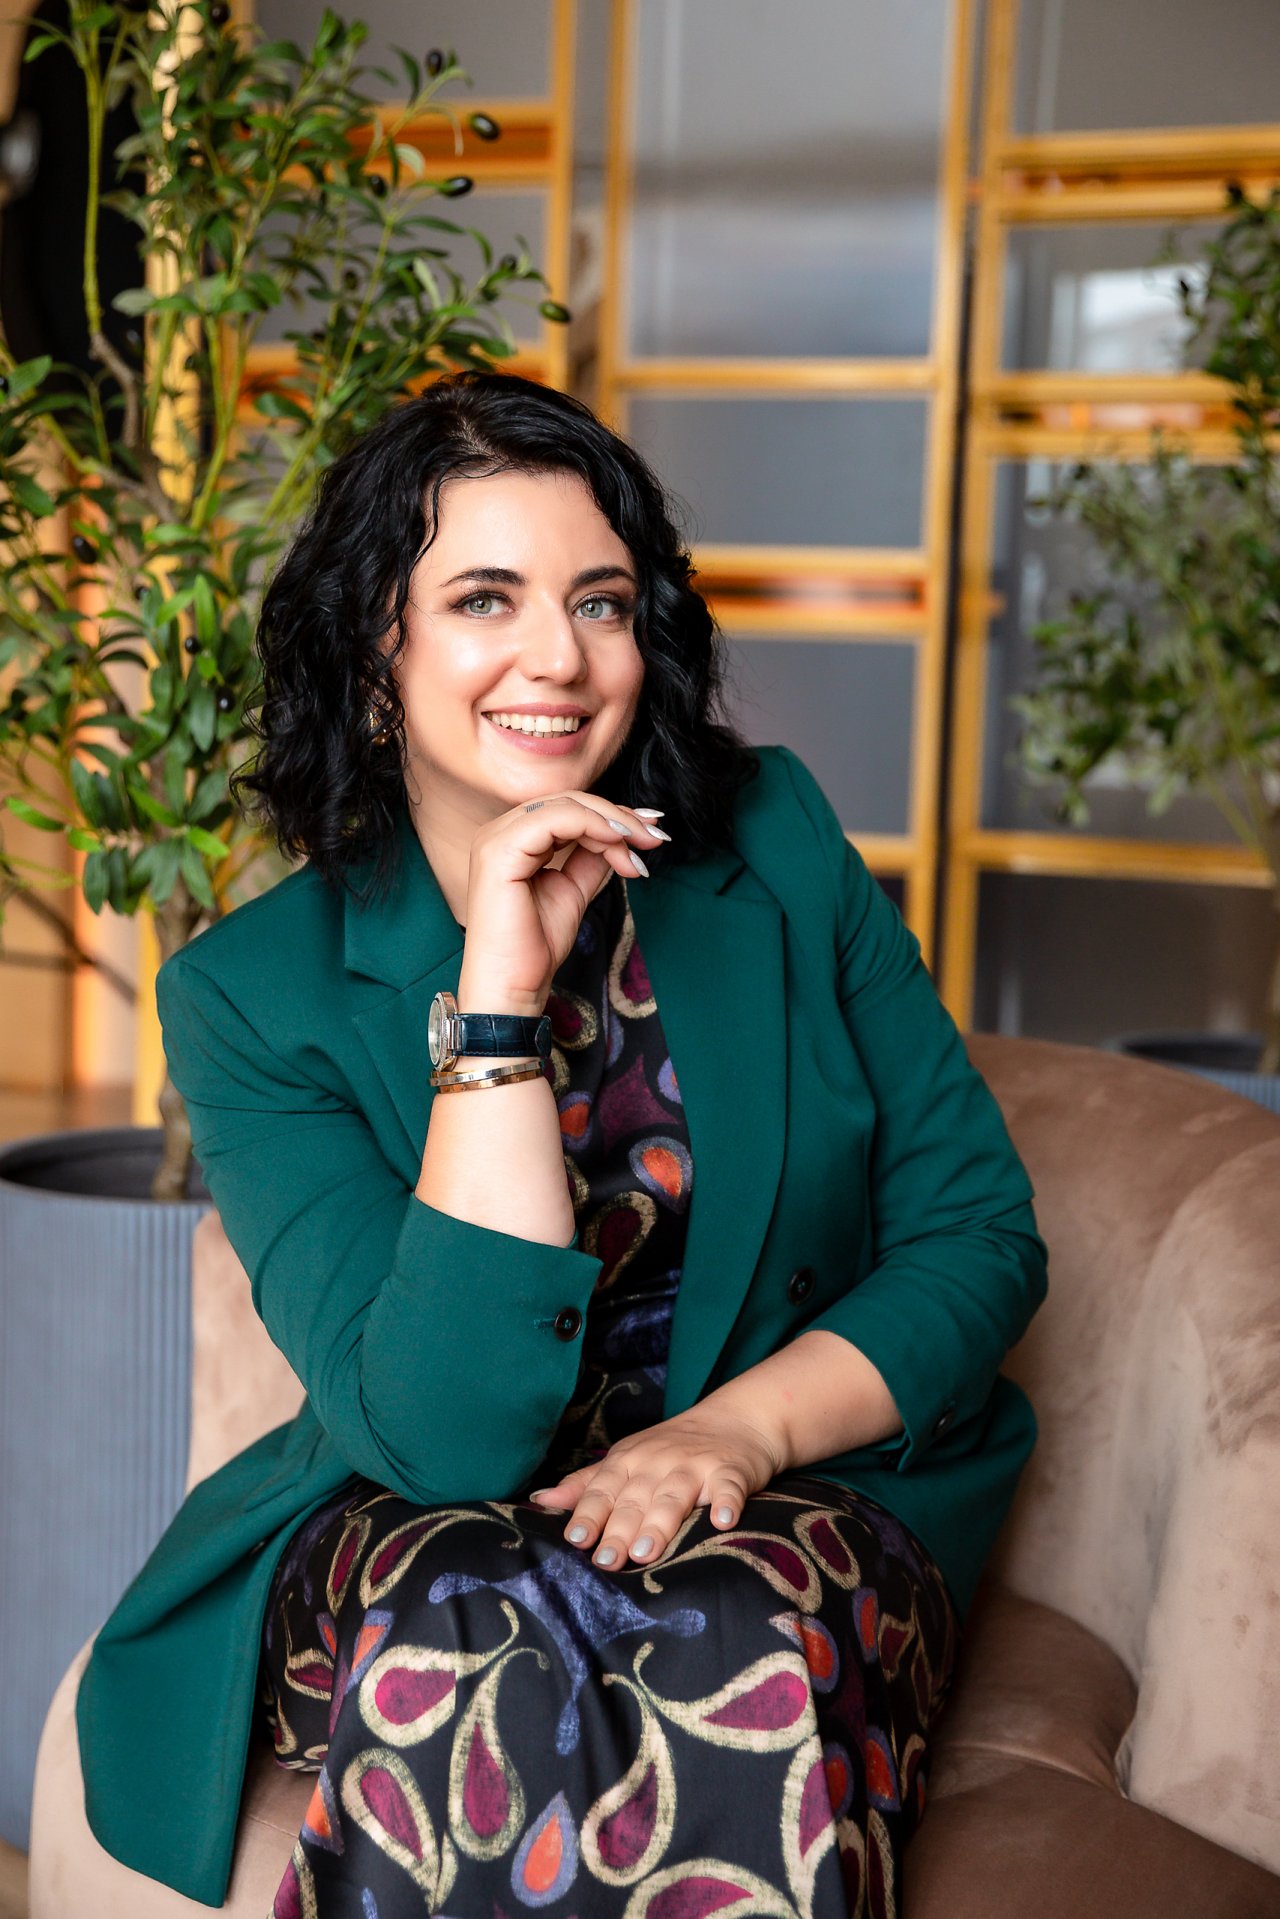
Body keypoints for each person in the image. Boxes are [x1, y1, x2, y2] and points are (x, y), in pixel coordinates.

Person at [74, 370, 1048, 1916]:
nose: (561, 656)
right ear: (375, 652)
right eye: (485, 599)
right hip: (416, 1514)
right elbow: (447, 1440)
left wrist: (734, 1436)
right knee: (476, 1617)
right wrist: (501, 1009)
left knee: (711, 1632)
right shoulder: (249, 996)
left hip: (789, 1487)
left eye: (600, 601)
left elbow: (978, 1239)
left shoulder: (775, 843)